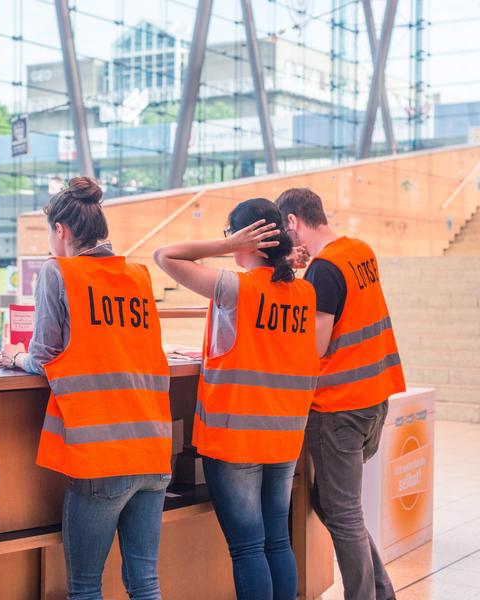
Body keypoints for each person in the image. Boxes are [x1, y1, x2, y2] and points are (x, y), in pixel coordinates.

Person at [1, 177, 172, 600]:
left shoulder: (59, 272)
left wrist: (13, 357)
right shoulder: (138, 275)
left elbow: (42, 359)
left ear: (62, 230)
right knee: (145, 584)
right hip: (152, 448)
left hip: (100, 455)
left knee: (84, 588)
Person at [153, 198, 319, 600]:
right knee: (277, 542)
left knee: (248, 548)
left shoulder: (235, 287)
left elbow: (165, 255)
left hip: (236, 442)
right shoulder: (305, 294)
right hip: (284, 439)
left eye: (232, 235)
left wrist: (226, 246)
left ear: (247, 240)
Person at [276, 187, 405, 600]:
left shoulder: (325, 270)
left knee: (342, 511)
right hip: (374, 398)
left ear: (293, 222)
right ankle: (380, 592)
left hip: (338, 406)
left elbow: (314, 346)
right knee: (331, 503)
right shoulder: (358, 250)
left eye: (283, 229)